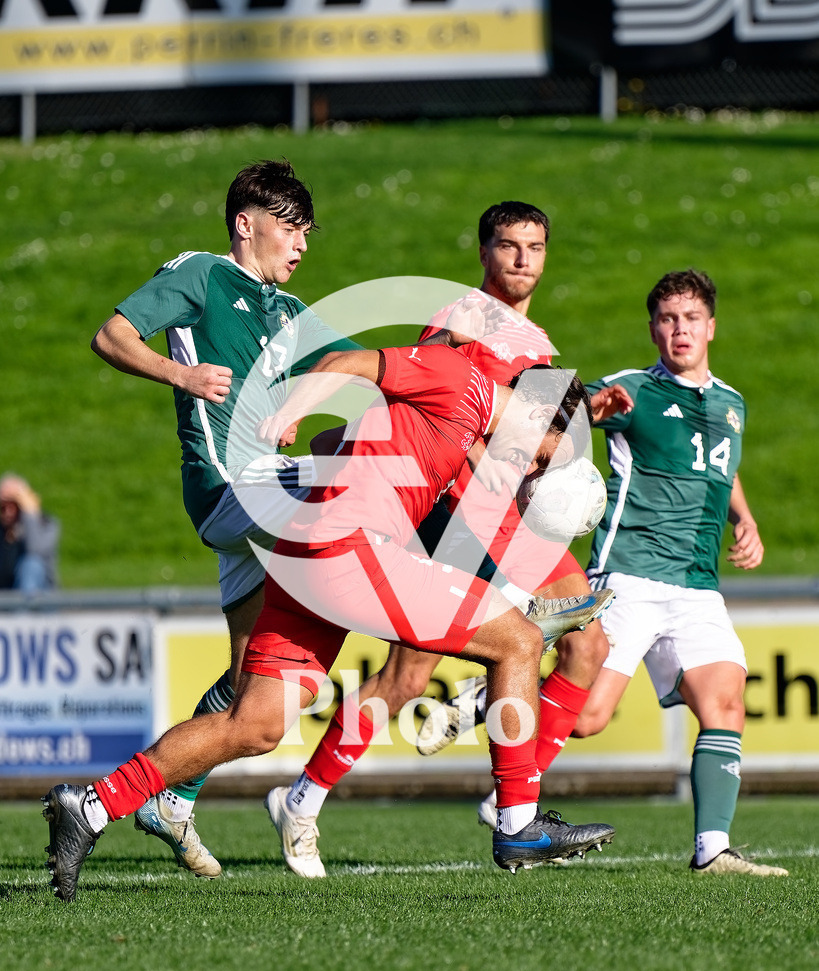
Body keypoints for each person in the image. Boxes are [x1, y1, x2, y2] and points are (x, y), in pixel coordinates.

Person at [42, 342, 617, 902]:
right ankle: (518, 824)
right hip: (347, 547)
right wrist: (292, 408)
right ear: (539, 413)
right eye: (540, 457)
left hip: (306, 551)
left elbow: (329, 440)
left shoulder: (462, 429)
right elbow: (347, 363)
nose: (529, 469)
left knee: (256, 724)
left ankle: (90, 807)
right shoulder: (459, 378)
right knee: (518, 639)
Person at [264, 202, 630, 878]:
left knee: (587, 640)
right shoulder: (465, 319)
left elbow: (533, 423)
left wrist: (587, 409)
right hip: (455, 511)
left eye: (535, 246)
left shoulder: (536, 340)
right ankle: (302, 798)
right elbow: (419, 397)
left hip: (508, 515)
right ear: (483, 251)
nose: (522, 258)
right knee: (405, 677)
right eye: (508, 245)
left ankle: (509, 802)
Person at [90, 159, 361, 878]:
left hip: (258, 499)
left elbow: (358, 367)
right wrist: (181, 376)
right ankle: (455, 612)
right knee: (358, 501)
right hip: (227, 488)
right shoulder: (202, 274)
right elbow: (111, 335)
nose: (301, 243)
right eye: (290, 228)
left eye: (308, 231)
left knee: (250, 691)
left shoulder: (288, 309)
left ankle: (170, 799)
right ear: (247, 225)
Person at [572, 268, 787, 878]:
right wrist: (590, 409)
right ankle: (495, 702)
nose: (680, 329)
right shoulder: (632, 390)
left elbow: (720, 467)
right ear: (653, 329)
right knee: (587, 718)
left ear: (711, 327)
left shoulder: (731, 404)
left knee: (725, 700)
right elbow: (569, 409)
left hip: (695, 584)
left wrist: (745, 519)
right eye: (668, 319)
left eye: (691, 318)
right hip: (629, 575)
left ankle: (712, 849)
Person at [0, 474, 60, 592]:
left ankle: (24, 610)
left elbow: (34, 550)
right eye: (2, 507)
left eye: (14, 505)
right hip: (5, 599)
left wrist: (30, 515)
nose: (8, 512)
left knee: (31, 564)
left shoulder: (45, 524)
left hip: (41, 599)